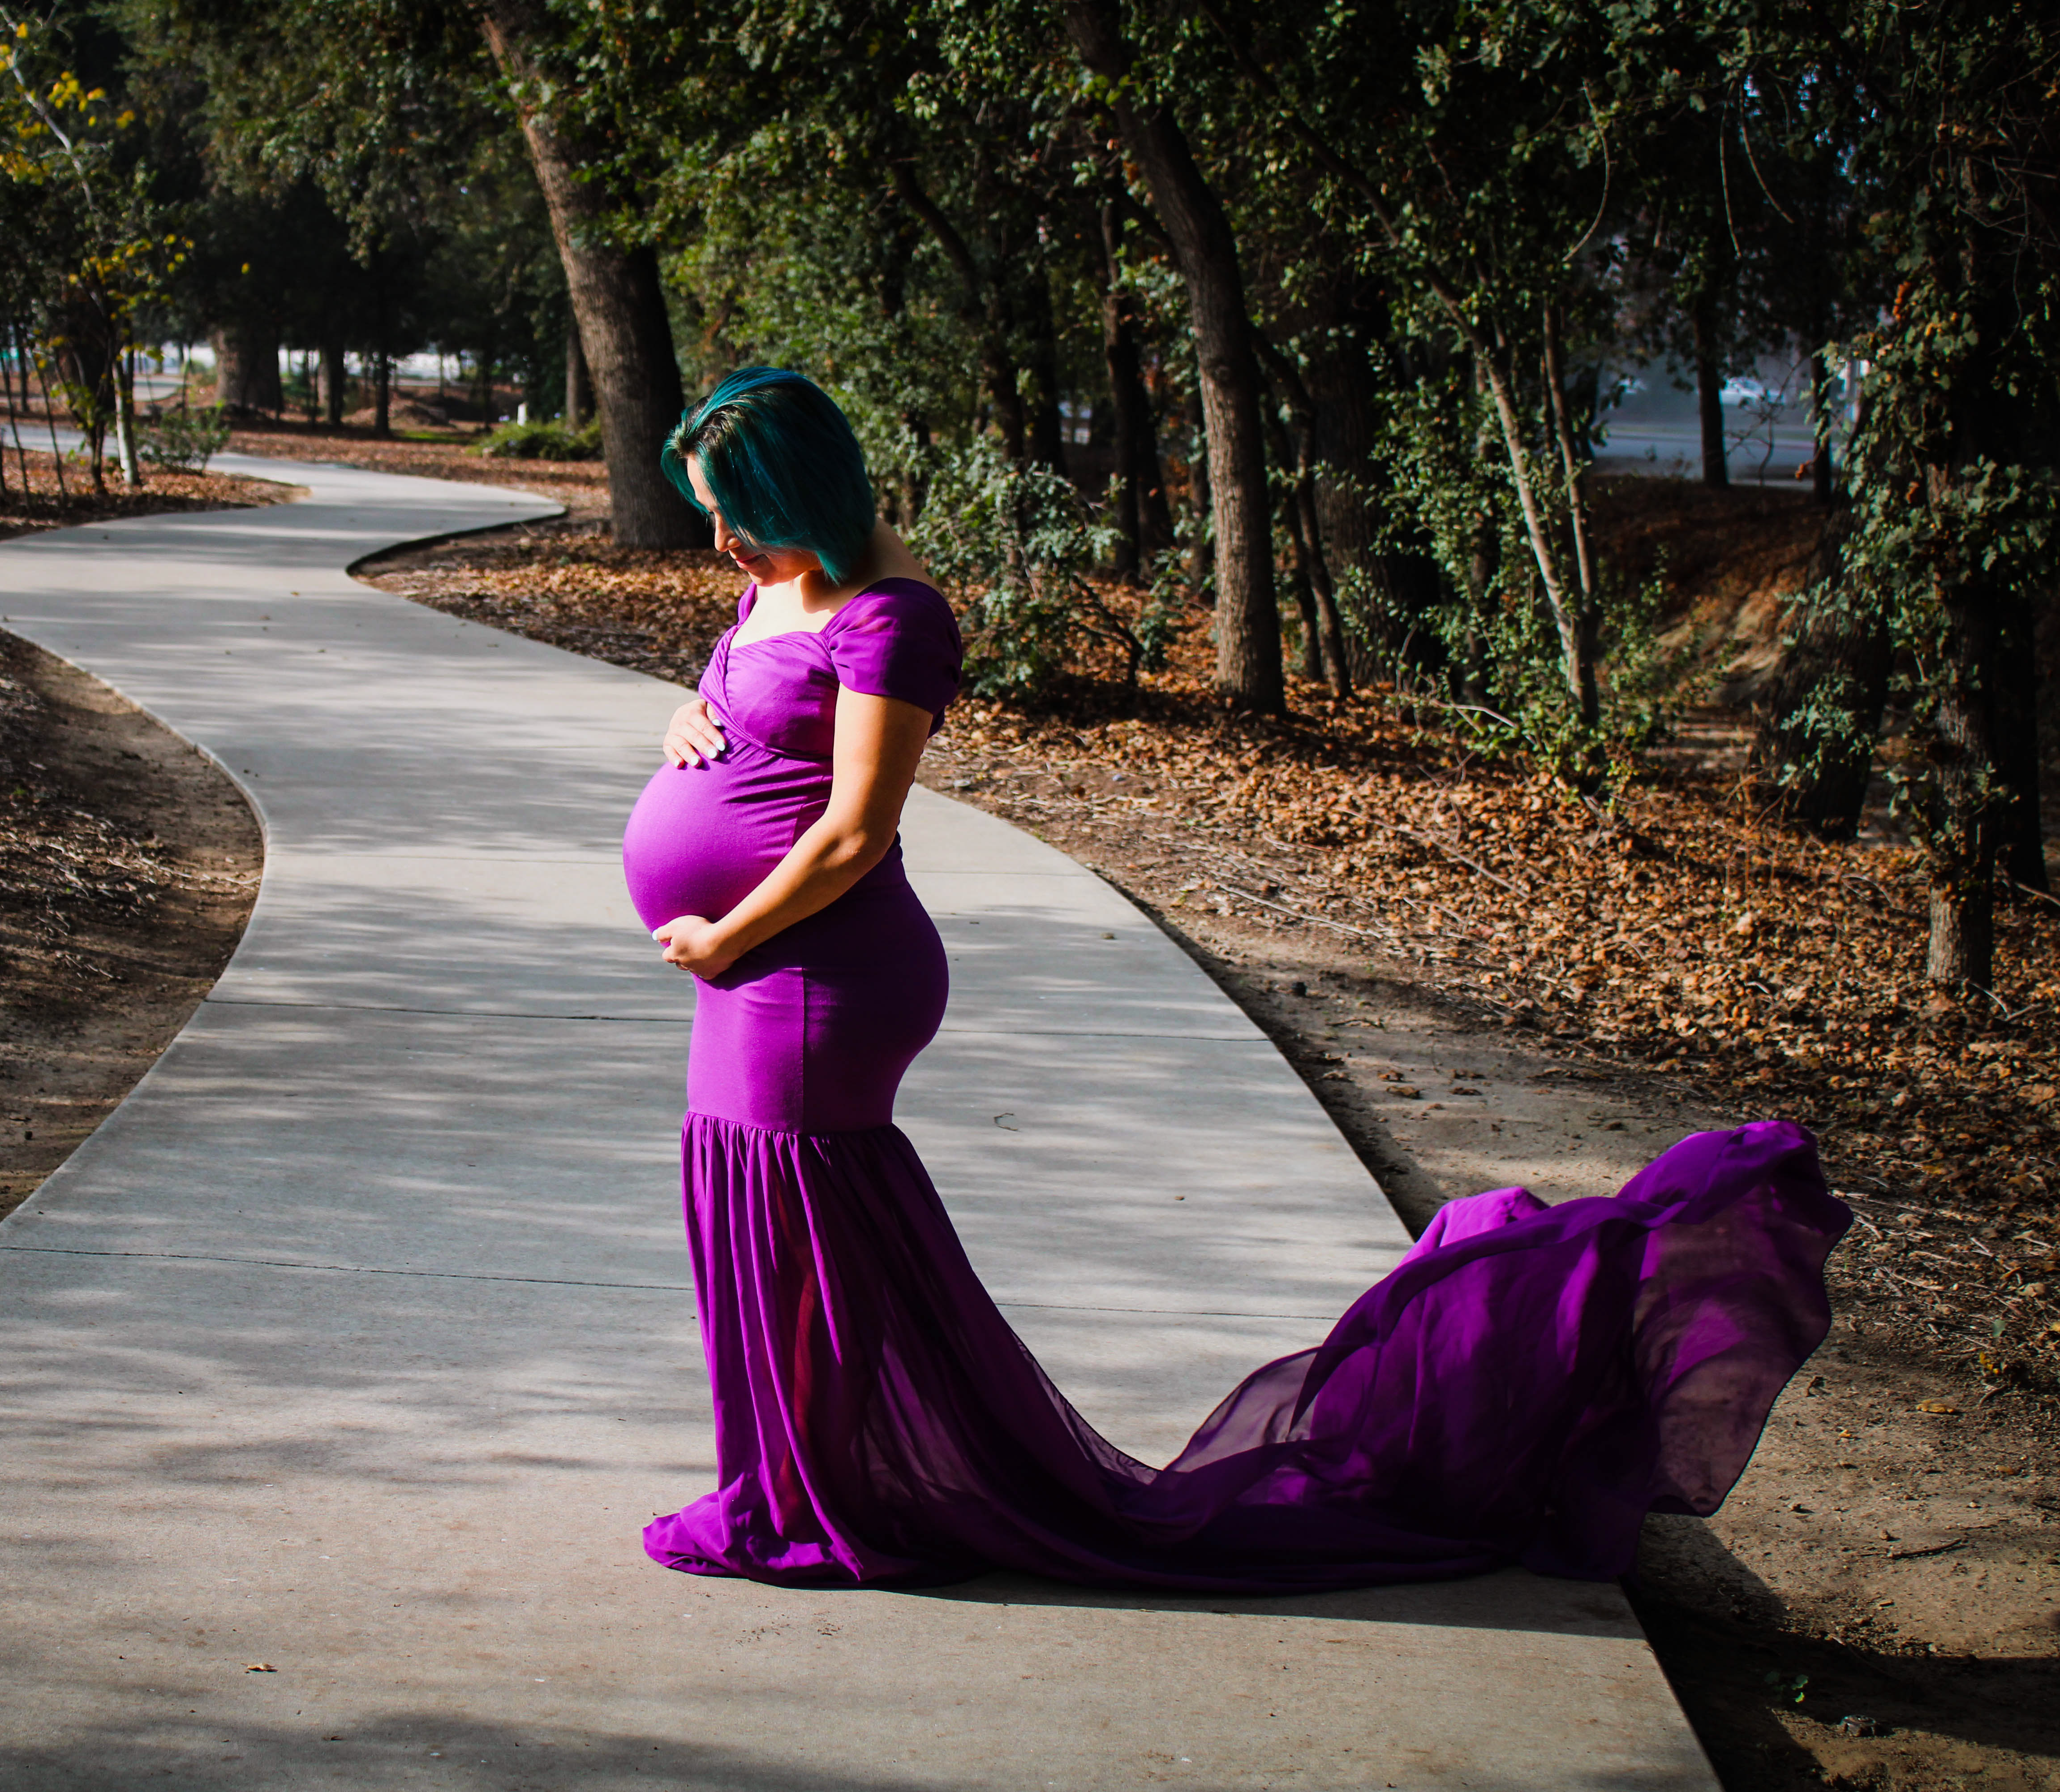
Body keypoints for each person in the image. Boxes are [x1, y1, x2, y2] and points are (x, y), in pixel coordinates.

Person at [618, 366, 1851, 1594]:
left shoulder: (892, 617)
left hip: (815, 974)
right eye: (710, 511)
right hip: (757, 970)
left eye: (741, 512)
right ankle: (793, 1486)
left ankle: (824, 1499)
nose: (723, 540)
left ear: (813, 494)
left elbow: (854, 832)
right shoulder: (776, 589)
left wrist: (727, 937)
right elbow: (761, 708)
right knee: (774, 1232)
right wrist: (690, 715)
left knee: (801, 1232)